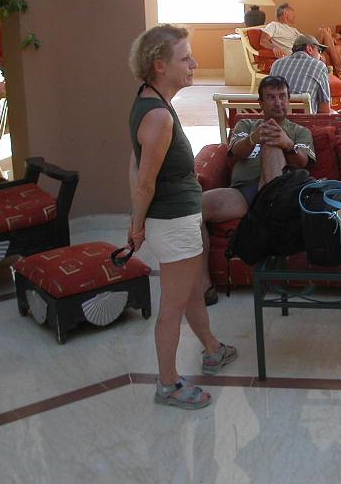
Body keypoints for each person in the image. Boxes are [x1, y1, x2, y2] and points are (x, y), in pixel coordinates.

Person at [127, 24, 237, 410]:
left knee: (191, 290)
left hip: (176, 218)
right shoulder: (158, 116)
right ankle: (168, 384)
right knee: (172, 306)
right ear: (159, 65)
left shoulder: (151, 100)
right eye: (185, 58)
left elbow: (134, 164)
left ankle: (212, 348)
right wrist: (137, 225)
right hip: (173, 221)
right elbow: (144, 181)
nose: (194, 63)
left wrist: (138, 220)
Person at [200, 74, 315, 232]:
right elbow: (237, 153)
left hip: (280, 194)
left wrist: (287, 144)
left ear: (288, 100)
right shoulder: (246, 125)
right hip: (243, 192)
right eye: (271, 97)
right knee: (195, 208)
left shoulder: (300, 131)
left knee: (272, 142)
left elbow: (303, 162)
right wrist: (252, 139)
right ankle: (265, 214)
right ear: (261, 103)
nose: (278, 102)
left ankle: (268, 208)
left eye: (282, 96)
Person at [259, 2, 341, 74]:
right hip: (299, 52)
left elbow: (305, 39)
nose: (294, 15)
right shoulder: (274, 25)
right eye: (292, 12)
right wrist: (274, 47)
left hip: (307, 47)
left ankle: (337, 69)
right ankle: (339, 67)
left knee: (324, 32)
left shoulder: (293, 29)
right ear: (285, 13)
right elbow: (263, 40)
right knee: (324, 32)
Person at [269, 34, 333, 113]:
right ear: (309, 49)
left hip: (276, 117)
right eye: (319, 51)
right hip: (304, 119)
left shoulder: (276, 64)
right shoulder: (319, 66)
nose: (320, 56)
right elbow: (324, 110)